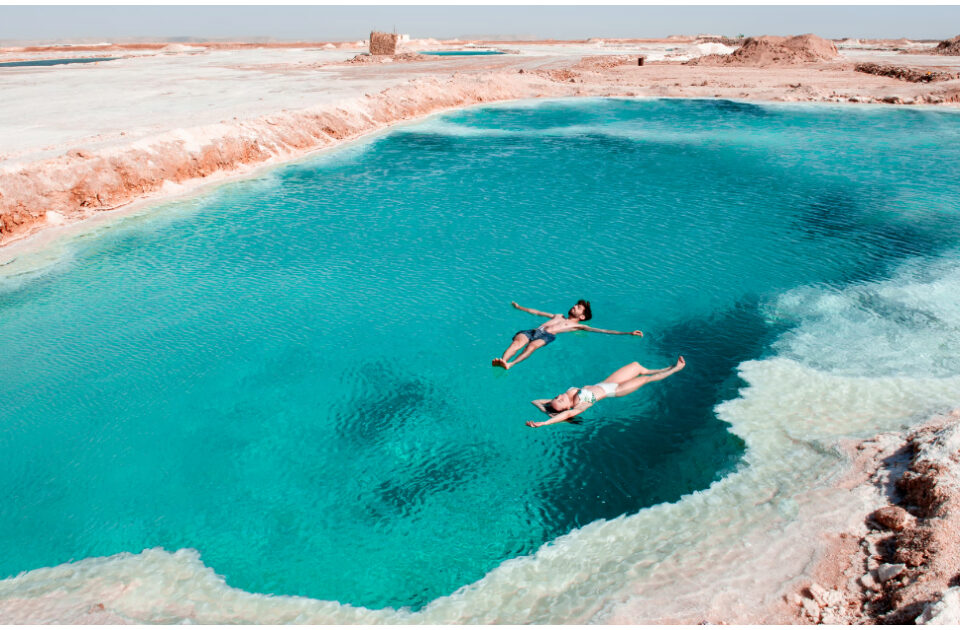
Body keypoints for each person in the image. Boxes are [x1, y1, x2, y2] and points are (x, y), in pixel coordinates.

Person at [526, 356, 685, 428]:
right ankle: (674, 369)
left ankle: (665, 368)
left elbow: (536, 401)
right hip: (616, 390)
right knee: (645, 379)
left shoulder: (566, 397)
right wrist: (546, 422)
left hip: (606, 382)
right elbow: (566, 415)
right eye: (560, 401)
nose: (559, 396)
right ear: (566, 408)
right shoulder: (579, 405)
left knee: (636, 366)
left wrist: (546, 410)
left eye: (556, 397)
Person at [492, 300, 643, 370]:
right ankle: (503, 360)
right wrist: (519, 307)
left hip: (547, 336)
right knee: (517, 343)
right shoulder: (557, 316)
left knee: (531, 347)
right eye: (576, 305)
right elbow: (537, 312)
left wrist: (628, 332)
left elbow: (603, 331)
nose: (574, 306)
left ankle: (510, 364)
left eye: (578, 307)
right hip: (534, 330)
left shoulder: (578, 325)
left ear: (582, 316)